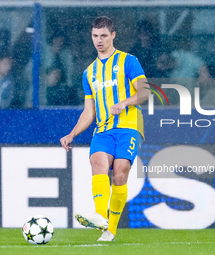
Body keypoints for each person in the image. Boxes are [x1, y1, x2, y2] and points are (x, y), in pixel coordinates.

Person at [60, 16, 150, 241]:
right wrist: (72, 134)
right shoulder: (88, 73)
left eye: (103, 36)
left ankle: (111, 230)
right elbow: (89, 111)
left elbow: (145, 93)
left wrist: (124, 103)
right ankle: (100, 216)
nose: (98, 40)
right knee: (97, 161)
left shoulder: (128, 61)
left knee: (120, 171)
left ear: (113, 36)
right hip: (103, 129)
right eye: (95, 36)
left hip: (129, 126)